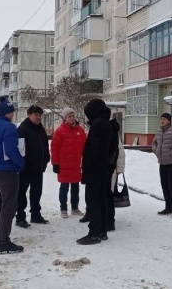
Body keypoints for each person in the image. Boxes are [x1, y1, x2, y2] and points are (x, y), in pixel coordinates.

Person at [0, 96, 25, 254]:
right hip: (6, 171)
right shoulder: (9, 127)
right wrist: (21, 163)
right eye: (12, 112)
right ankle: (4, 242)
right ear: (7, 112)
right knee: (8, 205)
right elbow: (11, 150)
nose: (13, 114)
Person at [77, 99, 114, 245]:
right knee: (102, 200)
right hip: (104, 168)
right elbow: (111, 148)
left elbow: (95, 148)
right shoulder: (107, 123)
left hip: (95, 170)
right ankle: (102, 231)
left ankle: (94, 233)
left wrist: (88, 165)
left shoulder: (97, 124)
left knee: (93, 201)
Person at [15, 105, 51, 228]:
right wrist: (25, 161)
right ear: (29, 115)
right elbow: (20, 149)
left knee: (36, 192)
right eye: (36, 115)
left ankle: (35, 215)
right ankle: (20, 217)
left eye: (40, 115)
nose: (38, 117)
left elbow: (44, 145)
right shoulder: (22, 129)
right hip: (26, 168)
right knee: (21, 193)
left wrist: (46, 157)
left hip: (38, 167)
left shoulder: (40, 129)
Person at [51, 107, 86, 219]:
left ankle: (75, 208)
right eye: (69, 116)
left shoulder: (80, 130)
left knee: (75, 187)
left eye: (73, 116)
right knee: (64, 188)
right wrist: (55, 163)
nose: (72, 118)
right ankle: (63, 209)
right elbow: (54, 148)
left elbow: (84, 147)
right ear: (65, 118)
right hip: (64, 165)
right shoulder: (60, 131)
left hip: (76, 165)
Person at [152, 112, 172, 219]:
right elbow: (154, 142)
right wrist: (156, 151)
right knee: (164, 186)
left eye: (164, 119)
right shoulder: (159, 131)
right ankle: (168, 207)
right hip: (162, 163)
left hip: (171, 163)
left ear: (169, 120)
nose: (162, 120)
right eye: (161, 118)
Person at [107, 118, 126, 232]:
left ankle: (109, 220)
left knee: (109, 194)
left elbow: (120, 153)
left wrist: (120, 169)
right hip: (109, 169)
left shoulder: (114, 136)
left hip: (112, 170)